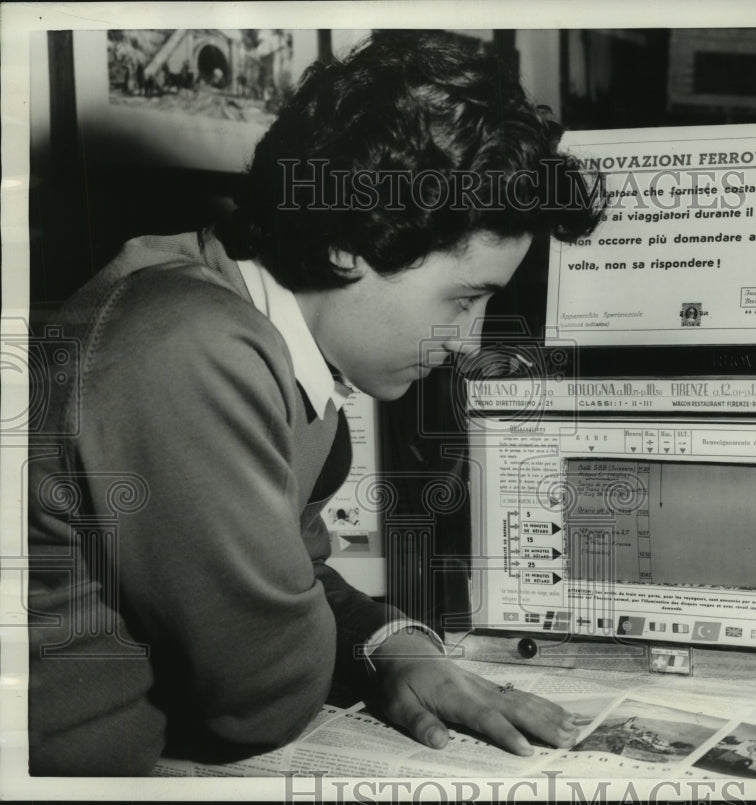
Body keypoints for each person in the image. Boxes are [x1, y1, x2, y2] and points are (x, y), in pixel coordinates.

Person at [27, 31, 602, 775]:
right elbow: (264, 694)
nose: (465, 340)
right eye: (464, 298)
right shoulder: (189, 345)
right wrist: (325, 638)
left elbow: (292, 578)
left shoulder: (261, 331)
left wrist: (388, 643)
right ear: (345, 243)